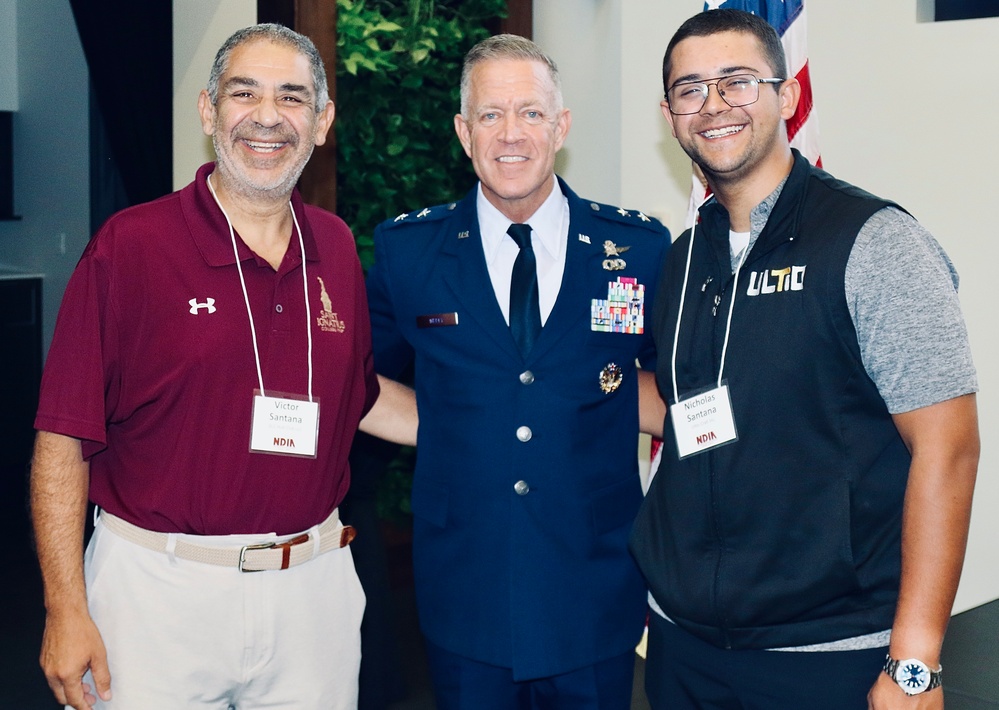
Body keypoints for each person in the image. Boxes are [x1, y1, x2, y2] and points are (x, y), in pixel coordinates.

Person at [30, 23, 415, 710]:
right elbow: (63, 437)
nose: (268, 118)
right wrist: (65, 608)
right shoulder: (131, 246)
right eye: (245, 93)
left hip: (312, 591)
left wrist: (495, 421)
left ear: (321, 122)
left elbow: (353, 395)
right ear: (209, 110)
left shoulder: (335, 245)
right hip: (158, 593)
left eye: (292, 98)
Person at [630, 9, 979, 710]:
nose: (714, 106)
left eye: (737, 82)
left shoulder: (873, 243)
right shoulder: (682, 255)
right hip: (681, 647)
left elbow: (947, 450)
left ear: (786, 97)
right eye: (690, 89)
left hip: (826, 658)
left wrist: (915, 661)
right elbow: (692, 408)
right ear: (669, 116)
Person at [366, 33, 670, 710]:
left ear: (560, 127)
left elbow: (669, 387)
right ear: (462, 132)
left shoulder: (639, 249)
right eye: (490, 115)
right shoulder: (409, 253)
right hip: (465, 595)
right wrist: (440, 428)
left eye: (531, 113)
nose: (511, 134)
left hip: (592, 589)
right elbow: (356, 378)